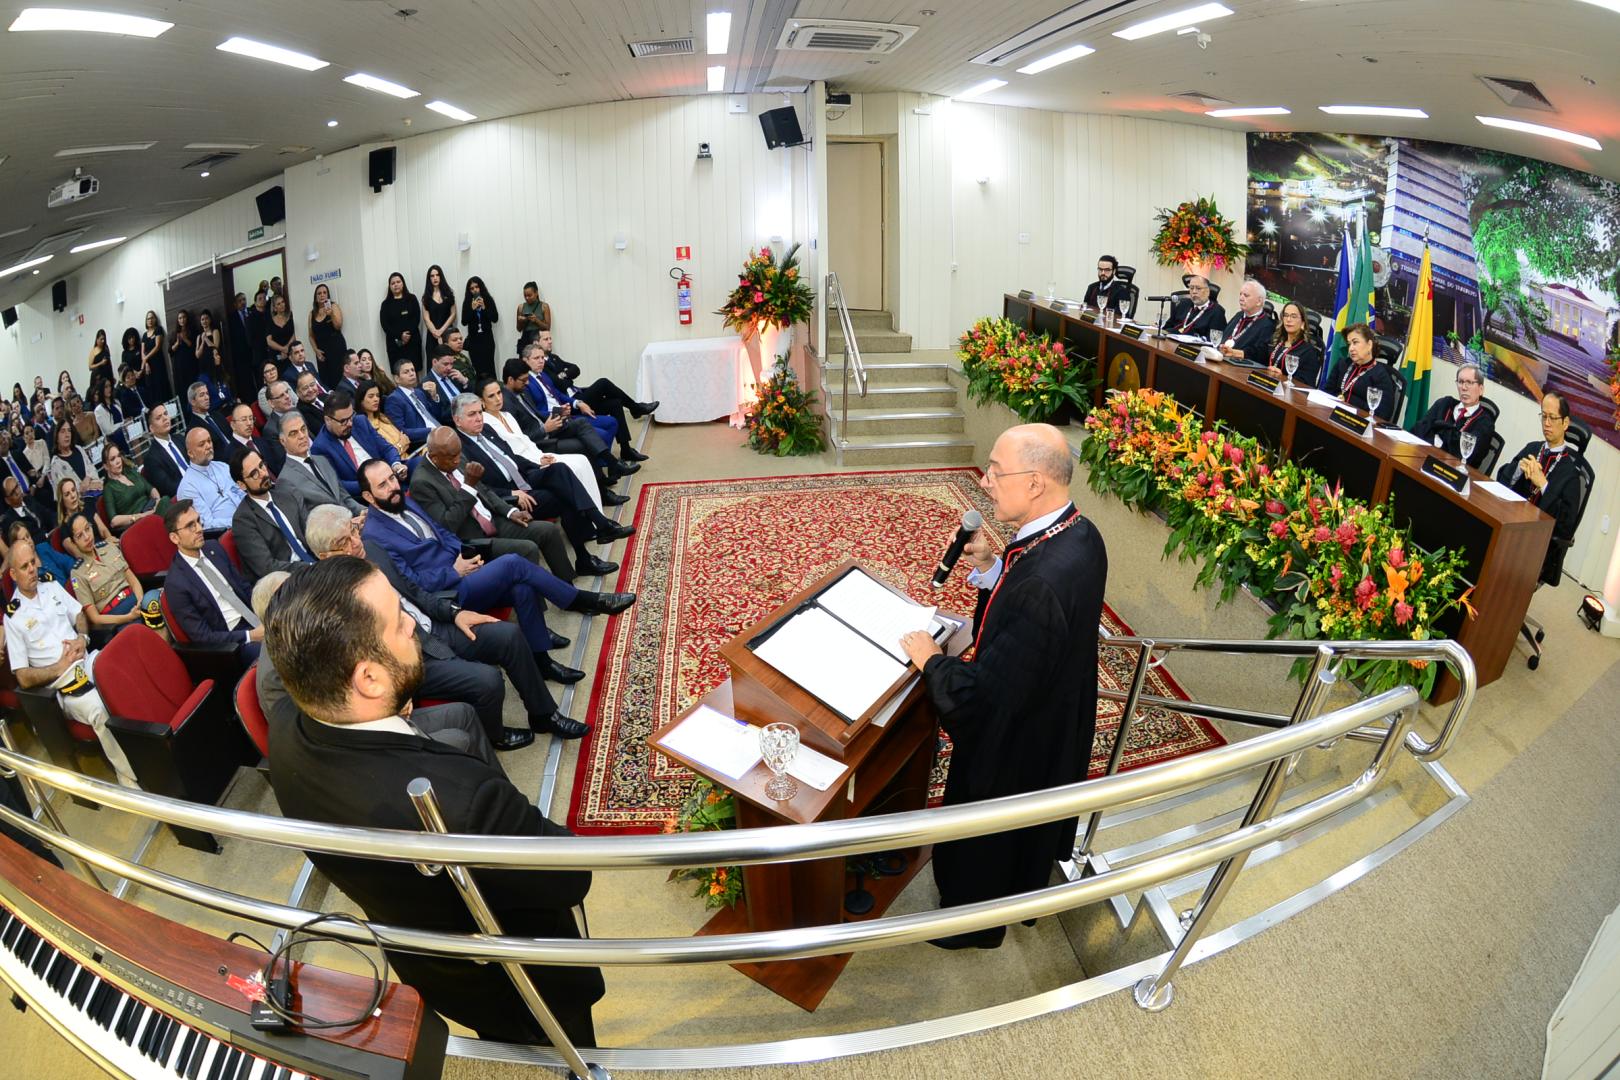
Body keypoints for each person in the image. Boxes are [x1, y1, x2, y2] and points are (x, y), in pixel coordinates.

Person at [262, 556, 603, 1045]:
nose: (412, 628)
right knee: (565, 1047)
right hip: (524, 978)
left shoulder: (286, 730)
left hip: (430, 963)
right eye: (399, 625)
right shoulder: (466, 802)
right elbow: (571, 875)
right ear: (369, 679)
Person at [899, 423, 1106, 950]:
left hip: (1020, 741)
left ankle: (972, 925)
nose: (986, 481)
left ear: (1035, 483)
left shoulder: (1041, 583)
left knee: (990, 836)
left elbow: (984, 704)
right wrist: (993, 568)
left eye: (996, 470)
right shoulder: (1080, 533)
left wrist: (930, 662)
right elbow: (1033, 601)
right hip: (1055, 712)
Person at [306, 505, 587, 742]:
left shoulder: (373, 550)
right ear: (323, 557)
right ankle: (495, 736)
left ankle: (543, 715)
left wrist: (455, 613)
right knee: (489, 680)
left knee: (509, 636)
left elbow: (416, 593)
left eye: (354, 531)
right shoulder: (333, 598)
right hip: (413, 658)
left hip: (436, 627)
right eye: (342, 542)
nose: (355, 542)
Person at [357, 460, 631, 677]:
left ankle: (543, 663)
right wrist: (454, 571)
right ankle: (582, 600)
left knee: (521, 588)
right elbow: (411, 584)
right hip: (446, 594)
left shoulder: (406, 501)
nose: (392, 486)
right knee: (512, 562)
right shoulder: (374, 536)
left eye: (392, 478)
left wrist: (461, 557)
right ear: (368, 496)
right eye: (383, 485)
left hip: (462, 569)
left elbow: (444, 533)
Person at [251, 570, 505, 760]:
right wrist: (387, 709)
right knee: (458, 740)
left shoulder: (311, 638)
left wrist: (393, 696)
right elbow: (316, 735)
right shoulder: (274, 676)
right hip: (356, 748)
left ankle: (500, 796)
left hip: (377, 715)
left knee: (464, 713)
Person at [5, 537, 140, 788]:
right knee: (99, 708)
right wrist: (58, 667)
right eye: (24, 567)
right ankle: (129, 776)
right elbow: (22, 675)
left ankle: (149, 748)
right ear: (13, 573)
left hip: (86, 659)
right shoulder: (14, 617)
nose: (33, 569)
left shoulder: (50, 585)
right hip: (63, 683)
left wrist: (82, 636)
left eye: (33, 562)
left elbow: (78, 612)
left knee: (125, 670)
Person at [448, 392, 631, 570]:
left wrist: (536, 463)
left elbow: (511, 458)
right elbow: (478, 488)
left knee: (559, 469)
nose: (479, 418)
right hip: (511, 495)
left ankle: (599, 526)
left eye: (480, 412)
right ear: (457, 420)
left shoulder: (486, 430)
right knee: (562, 496)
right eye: (472, 415)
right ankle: (589, 549)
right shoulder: (460, 448)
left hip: (524, 477)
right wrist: (510, 494)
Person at [412, 426, 586, 581]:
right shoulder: (422, 482)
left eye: (459, 454)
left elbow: (485, 490)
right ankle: (538, 607)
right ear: (434, 457)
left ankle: (568, 589)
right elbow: (447, 524)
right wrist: (468, 487)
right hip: (473, 540)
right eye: (452, 458)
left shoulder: (454, 454)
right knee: (528, 549)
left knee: (548, 531)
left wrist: (511, 511)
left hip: (493, 520)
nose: (457, 461)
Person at [478, 377, 612, 511]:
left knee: (582, 460)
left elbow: (526, 440)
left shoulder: (507, 415)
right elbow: (509, 454)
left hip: (537, 454)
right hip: (527, 464)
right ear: (482, 401)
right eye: (491, 396)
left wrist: (540, 455)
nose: (498, 398)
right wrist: (537, 462)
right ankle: (590, 516)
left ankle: (597, 512)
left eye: (499, 393)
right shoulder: (485, 424)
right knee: (575, 467)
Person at [1497, 391, 1585, 586]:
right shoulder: (1532, 448)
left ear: (1565, 423)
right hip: (1510, 524)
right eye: (1543, 416)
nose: (1546, 423)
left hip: (1537, 543)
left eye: (1552, 418)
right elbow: (1502, 480)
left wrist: (1544, 485)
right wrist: (1518, 471)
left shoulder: (1571, 473)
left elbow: (1565, 525)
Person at [161, 499, 261, 665]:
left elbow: (243, 587)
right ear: (174, 537)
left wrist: (266, 610)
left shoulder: (213, 547)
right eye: (190, 526)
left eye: (198, 521)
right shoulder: (176, 584)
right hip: (233, 643)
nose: (199, 529)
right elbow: (203, 637)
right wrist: (250, 636)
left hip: (254, 616)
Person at [504, 357, 626, 488]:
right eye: (524, 380)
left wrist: (558, 414)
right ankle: (602, 487)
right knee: (582, 444)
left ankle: (612, 463)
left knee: (581, 423)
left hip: (548, 427)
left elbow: (537, 414)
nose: (527, 383)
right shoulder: (507, 404)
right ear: (511, 380)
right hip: (541, 441)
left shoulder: (520, 392)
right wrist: (544, 429)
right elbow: (520, 439)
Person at [534, 330, 656, 459]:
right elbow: (558, 384)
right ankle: (636, 408)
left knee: (615, 403)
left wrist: (563, 375)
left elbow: (575, 369)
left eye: (550, 338)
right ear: (537, 343)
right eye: (546, 339)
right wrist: (564, 376)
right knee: (603, 383)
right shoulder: (541, 365)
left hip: (578, 392)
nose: (550, 341)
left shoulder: (554, 358)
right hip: (572, 403)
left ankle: (626, 450)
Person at [64, 511, 160, 641]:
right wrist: (128, 617)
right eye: (80, 535)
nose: (87, 537)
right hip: (115, 617)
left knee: (163, 610)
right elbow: (95, 618)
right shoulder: (77, 574)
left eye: (88, 529)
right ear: (74, 542)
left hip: (135, 602)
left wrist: (140, 601)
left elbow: (133, 581)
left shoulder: (108, 547)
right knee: (144, 636)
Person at [521, 334, 620, 452]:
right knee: (602, 434)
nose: (541, 361)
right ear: (525, 361)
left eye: (542, 358)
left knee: (612, 422)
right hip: (554, 421)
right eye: (536, 358)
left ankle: (604, 461)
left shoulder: (543, 375)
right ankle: (606, 461)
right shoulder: (525, 382)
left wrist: (578, 403)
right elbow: (535, 412)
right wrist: (559, 411)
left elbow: (558, 394)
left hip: (567, 414)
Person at [230, 447, 315, 579]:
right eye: (254, 474)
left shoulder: (285, 493)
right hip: (288, 580)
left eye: (261, 466)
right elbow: (267, 568)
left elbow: (311, 531)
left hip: (314, 563)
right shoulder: (243, 520)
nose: (263, 474)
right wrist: (310, 567)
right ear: (242, 485)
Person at [274, 412, 365, 530]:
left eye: (303, 429)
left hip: (355, 523)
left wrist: (363, 512)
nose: (301, 436)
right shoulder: (285, 480)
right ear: (282, 441)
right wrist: (349, 525)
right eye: (293, 433)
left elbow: (344, 496)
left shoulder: (321, 460)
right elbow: (307, 524)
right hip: (335, 536)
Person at [312, 389, 408, 496]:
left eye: (351, 417)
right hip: (367, 493)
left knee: (420, 465)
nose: (349, 424)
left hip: (390, 474)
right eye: (343, 421)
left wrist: (396, 465)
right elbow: (338, 484)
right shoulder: (320, 447)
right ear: (328, 420)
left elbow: (386, 448)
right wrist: (371, 484)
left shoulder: (360, 422)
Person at [1412, 363, 1495, 469]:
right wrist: (1446, 441)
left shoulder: (1484, 423)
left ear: (1481, 389)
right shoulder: (1445, 403)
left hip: (1452, 473)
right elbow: (1418, 429)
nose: (1464, 388)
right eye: (1460, 382)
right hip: (1423, 459)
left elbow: (1464, 455)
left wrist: (1438, 434)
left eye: (1469, 383)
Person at [1326, 322, 1398, 421]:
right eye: (1349, 344)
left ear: (1369, 345)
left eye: (1355, 342)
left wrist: (1348, 401)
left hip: (1358, 425)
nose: (1351, 348)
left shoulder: (1381, 376)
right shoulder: (1342, 364)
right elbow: (1327, 391)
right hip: (1332, 415)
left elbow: (1382, 414)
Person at [176, 427, 243, 531]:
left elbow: (241, 493)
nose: (208, 446)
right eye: (202, 444)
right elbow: (207, 524)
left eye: (209, 441)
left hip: (248, 517)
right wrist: (240, 521)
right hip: (230, 532)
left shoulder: (223, 466)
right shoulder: (187, 488)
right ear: (190, 453)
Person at [98, 443, 166, 531]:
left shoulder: (130, 472)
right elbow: (114, 521)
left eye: (118, 456)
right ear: (106, 466)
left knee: (165, 501)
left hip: (151, 509)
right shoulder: (109, 488)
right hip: (137, 522)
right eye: (112, 459)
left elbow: (151, 489)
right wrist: (140, 516)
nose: (118, 461)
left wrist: (157, 501)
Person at [1216, 281, 1277, 367]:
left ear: (1259, 301)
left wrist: (1236, 353)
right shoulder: (1239, 315)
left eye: (1246, 295)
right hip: (1222, 360)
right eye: (1240, 294)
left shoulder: (1267, 325)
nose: (1241, 298)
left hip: (1240, 368)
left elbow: (1261, 355)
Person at [1265, 301, 1324, 386]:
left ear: (1302, 323)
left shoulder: (1309, 352)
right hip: (1268, 385)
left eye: (1293, 316)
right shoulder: (1276, 341)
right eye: (1286, 315)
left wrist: (1281, 377)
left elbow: (1306, 384)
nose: (1288, 320)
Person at [386, 358, 443, 446]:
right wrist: (430, 430)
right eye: (406, 372)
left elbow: (436, 416)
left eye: (412, 370)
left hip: (438, 432)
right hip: (422, 442)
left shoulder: (419, 392)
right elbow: (401, 431)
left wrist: (434, 397)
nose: (412, 373)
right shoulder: (394, 399)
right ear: (397, 378)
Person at [356, 379, 414, 462]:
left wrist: (401, 445)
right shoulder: (363, 426)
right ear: (361, 400)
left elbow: (405, 439)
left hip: (409, 456)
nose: (376, 399)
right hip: (396, 465)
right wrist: (401, 446)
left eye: (377, 395)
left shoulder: (382, 416)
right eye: (371, 396)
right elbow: (382, 456)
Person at [55, 478, 113, 558]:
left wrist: (113, 547)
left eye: (73, 490)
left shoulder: (87, 506)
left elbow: (103, 531)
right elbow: (76, 553)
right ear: (62, 500)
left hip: (105, 548)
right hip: (90, 560)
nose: (73, 495)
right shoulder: (64, 526)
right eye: (67, 494)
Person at [140, 404, 189, 498]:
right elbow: (169, 488)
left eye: (165, 414)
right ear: (152, 428)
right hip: (183, 498)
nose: (165, 418)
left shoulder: (180, 439)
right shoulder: (151, 458)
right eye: (158, 418)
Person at [226, 399, 284, 476]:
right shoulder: (230, 454)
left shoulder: (262, 441)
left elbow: (277, 466)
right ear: (233, 425)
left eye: (251, 418)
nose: (249, 423)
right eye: (244, 420)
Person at [380, 271, 423, 370]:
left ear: (403, 283)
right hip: (394, 344)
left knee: (414, 371)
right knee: (399, 372)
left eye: (398, 282)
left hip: (412, 341)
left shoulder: (412, 298)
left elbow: (416, 318)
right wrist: (400, 335)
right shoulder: (386, 304)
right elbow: (385, 325)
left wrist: (407, 335)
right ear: (390, 286)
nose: (396, 285)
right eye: (393, 283)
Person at [45, 423, 101, 499]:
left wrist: (88, 479)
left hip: (98, 491)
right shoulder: (56, 464)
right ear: (56, 437)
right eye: (63, 431)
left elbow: (92, 469)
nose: (67, 435)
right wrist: (85, 488)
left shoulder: (79, 449)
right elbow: (64, 493)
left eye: (69, 431)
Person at [308, 283, 348, 387]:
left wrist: (331, 314)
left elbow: (338, 326)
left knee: (339, 378)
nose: (322, 295)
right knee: (325, 381)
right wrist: (316, 350)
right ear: (315, 297)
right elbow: (311, 335)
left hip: (336, 348)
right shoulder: (312, 313)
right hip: (322, 353)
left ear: (328, 295)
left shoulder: (333, 306)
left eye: (324, 293)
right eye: (319, 293)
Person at [460, 276, 500, 379]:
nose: (475, 290)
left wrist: (484, 308)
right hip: (474, 342)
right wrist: (472, 309)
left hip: (487, 340)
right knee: (478, 369)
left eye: (476, 287)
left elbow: (495, 318)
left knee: (490, 367)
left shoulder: (488, 300)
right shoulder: (467, 303)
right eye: (472, 288)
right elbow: (464, 321)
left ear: (481, 287)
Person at [185, 381, 232, 459]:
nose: (207, 397)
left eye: (207, 393)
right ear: (193, 402)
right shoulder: (193, 429)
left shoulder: (217, 415)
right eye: (202, 395)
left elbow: (231, 435)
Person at [193, 310, 230, 408]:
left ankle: (223, 401)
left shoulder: (215, 331)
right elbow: (197, 354)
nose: (204, 321)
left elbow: (216, 346)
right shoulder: (198, 336)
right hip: (203, 363)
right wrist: (202, 341)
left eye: (206, 318)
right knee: (206, 383)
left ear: (210, 320)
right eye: (202, 319)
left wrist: (206, 339)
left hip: (214, 361)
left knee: (217, 382)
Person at [422, 265, 457, 355]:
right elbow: (426, 318)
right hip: (432, 336)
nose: (435, 278)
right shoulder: (426, 297)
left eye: (437, 275)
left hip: (448, 334)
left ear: (441, 276)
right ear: (429, 278)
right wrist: (436, 332)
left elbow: (453, 314)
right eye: (432, 276)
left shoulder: (449, 293)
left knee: (449, 363)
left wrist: (442, 330)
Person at [139, 309, 169, 402]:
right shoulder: (144, 335)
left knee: (162, 386)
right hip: (148, 366)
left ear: (155, 319)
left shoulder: (158, 329)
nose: (150, 320)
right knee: (152, 389)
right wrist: (146, 363)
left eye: (152, 318)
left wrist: (145, 359)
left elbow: (157, 347)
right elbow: (142, 352)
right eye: (148, 319)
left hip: (158, 363)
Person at [258, 378, 299, 444]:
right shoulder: (271, 430)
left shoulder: (296, 411)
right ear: (271, 403)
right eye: (281, 395)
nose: (287, 396)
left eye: (286, 392)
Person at [265, 294, 297, 368]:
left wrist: (287, 349)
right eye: (278, 304)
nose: (282, 305)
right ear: (275, 308)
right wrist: (283, 349)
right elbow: (269, 341)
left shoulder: (291, 315)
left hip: (292, 352)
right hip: (276, 355)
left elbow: (294, 333)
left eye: (283, 302)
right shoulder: (270, 321)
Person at [171, 310, 197, 390]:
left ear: (187, 318)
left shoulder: (193, 330)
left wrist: (185, 338)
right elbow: (170, 350)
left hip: (190, 363)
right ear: (178, 320)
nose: (182, 320)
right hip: (178, 365)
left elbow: (194, 346)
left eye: (184, 317)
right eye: (180, 318)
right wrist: (177, 343)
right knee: (181, 388)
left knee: (192, 387)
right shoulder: (175, 333)